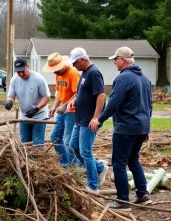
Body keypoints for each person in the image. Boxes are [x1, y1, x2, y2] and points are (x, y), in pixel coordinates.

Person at [90, 46, 152, 211]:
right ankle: (143, 194)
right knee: (133, 160)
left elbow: (113, 103)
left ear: (122, 60)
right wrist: (147, 128)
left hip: (126, 128)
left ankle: (123, 200)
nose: (114, 63)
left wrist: (99, 119)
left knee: (119, 163)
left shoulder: (124, 78)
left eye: (115, 60)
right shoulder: (145, 79)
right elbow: (149, 106)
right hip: (140, 128)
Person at [67, 47, 109, 193]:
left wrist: (96, 117)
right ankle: (100, 168)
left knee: (85, 152)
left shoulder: (94, 73)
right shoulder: (84, 73)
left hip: (89, 120)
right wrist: (75, 100)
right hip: (80, 119)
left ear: (83, 59)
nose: (73, 66)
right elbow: (82, 92)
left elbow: (101, 96)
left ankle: (92, 185)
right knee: (73, 147)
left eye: (75, 63)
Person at [43, 52, 80, 167]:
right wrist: (54, 106)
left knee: (68, 141)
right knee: (55, 137)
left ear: (63, 65)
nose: (55, 72)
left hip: (73, 111)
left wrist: (66, 105)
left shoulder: (73, 73)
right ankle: (65, 162)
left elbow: (79, 93)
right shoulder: (58, 75)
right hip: (63, 110)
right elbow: (59, 91)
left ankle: (74, 165)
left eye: (57, 69)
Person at [5, 57, 51, 146]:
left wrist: (36, 109)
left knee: (37, 143)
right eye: (18, 72)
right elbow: (11, 96)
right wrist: (10, 102)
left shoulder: (38, 79)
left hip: (39, 116)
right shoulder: (14, 80)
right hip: (24, 116)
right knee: (25, 144)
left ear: (28, 67)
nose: (21, 74)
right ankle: (28, 160)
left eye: (23, 71)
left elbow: (47, 97)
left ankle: (37, 159)